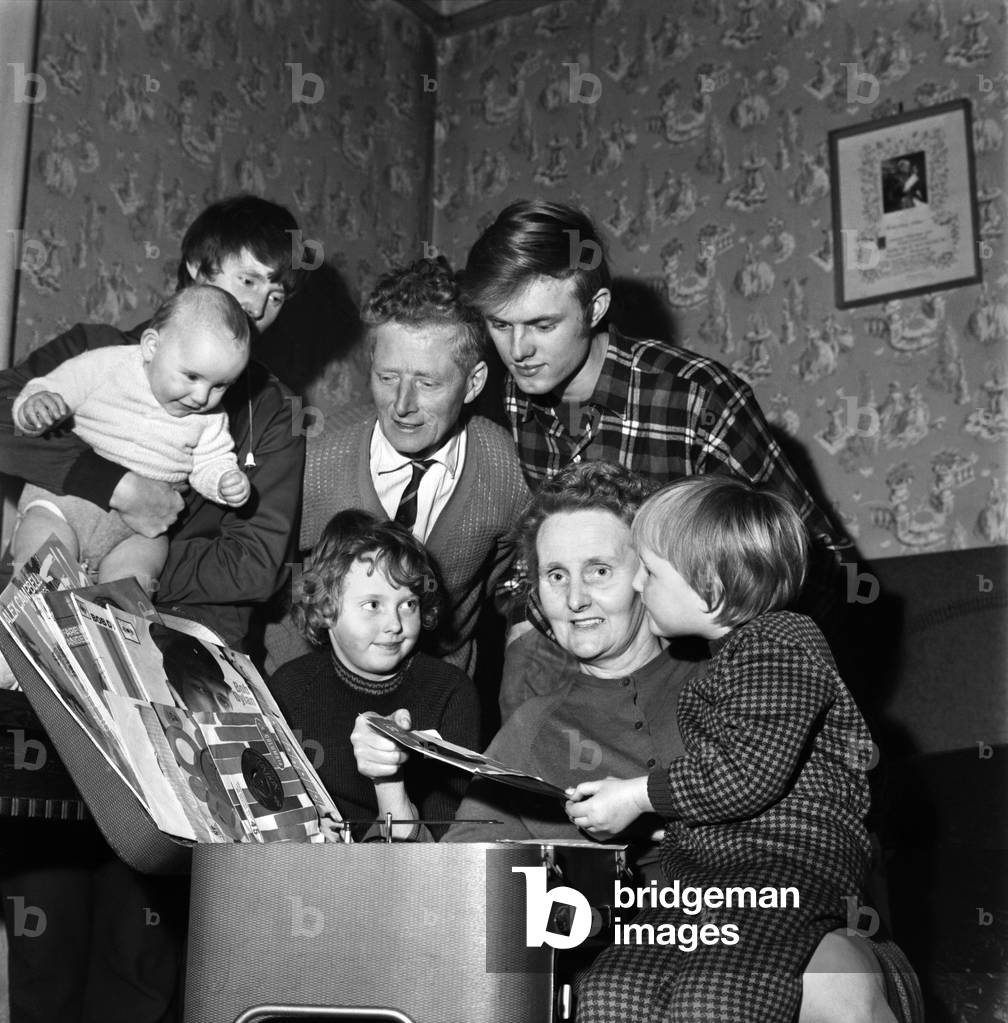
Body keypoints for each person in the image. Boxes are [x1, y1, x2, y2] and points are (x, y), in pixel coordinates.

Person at [431, 463, 921, 1023]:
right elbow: (459, 889)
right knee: (612, 996)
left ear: (655, 572)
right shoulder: (530, 729)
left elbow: (844, 819)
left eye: (599, 570)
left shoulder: (738, 666)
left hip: (795, 922)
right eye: (555, 575)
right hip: (659, 939)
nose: (575, 598)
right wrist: (392, 784)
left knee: (823, 986)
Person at [567, 474, 886, 1021]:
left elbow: (746, 775)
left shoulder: (780, 645)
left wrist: (638, 796)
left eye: (650, 572)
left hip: (782, 868)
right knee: (609, 993)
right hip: (708, 876)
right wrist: (673, 825)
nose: (638, 585)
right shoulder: (727, 660)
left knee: (713, 998)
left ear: (710, 587)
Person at [461, 199, 851, 641]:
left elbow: (818, 559)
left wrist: (756, 662)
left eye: (543, 325)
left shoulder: (697, 397)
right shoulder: (511, 396)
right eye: (500, 325)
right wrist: (524, 620)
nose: (518, 351)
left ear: (595, 308)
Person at [0, 193, 307, 652]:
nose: (259, 308)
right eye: (247, 280)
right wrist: (115, 489)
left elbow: (257, 566)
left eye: (276, 295)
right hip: (45, 570)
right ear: (197, 269)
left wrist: (125, 559)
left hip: (186, 625)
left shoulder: (274, 411)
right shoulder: (96, 350)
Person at [274, 255, 531, 677]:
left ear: (474, 383)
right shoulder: (314, 459)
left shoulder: (509, 470)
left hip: (435, 696)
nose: (402, 405)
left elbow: (510, 584)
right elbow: (273, 585)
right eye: (387, 378)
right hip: (307, 683)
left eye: (427, 383)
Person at [11, 286, 252, 594]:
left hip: (137, 531)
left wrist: (224, 480)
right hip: (64, 504)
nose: (202, 397)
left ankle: (120, 614)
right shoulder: (106, 364)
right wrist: (35, 407)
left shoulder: (212, 418)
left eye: (220, 386)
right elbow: (51, 388)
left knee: (138, 574)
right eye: (192, 377)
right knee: (43, 545)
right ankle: (40, 606)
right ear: (152, 346)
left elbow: (212, 461)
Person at [268, 509, 480, 841]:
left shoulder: (450, 692)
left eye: (408, 604)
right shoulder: (289, 688)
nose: (395, 624)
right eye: (373, 605)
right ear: (325, 608)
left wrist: (389, 779)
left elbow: (447, 842)